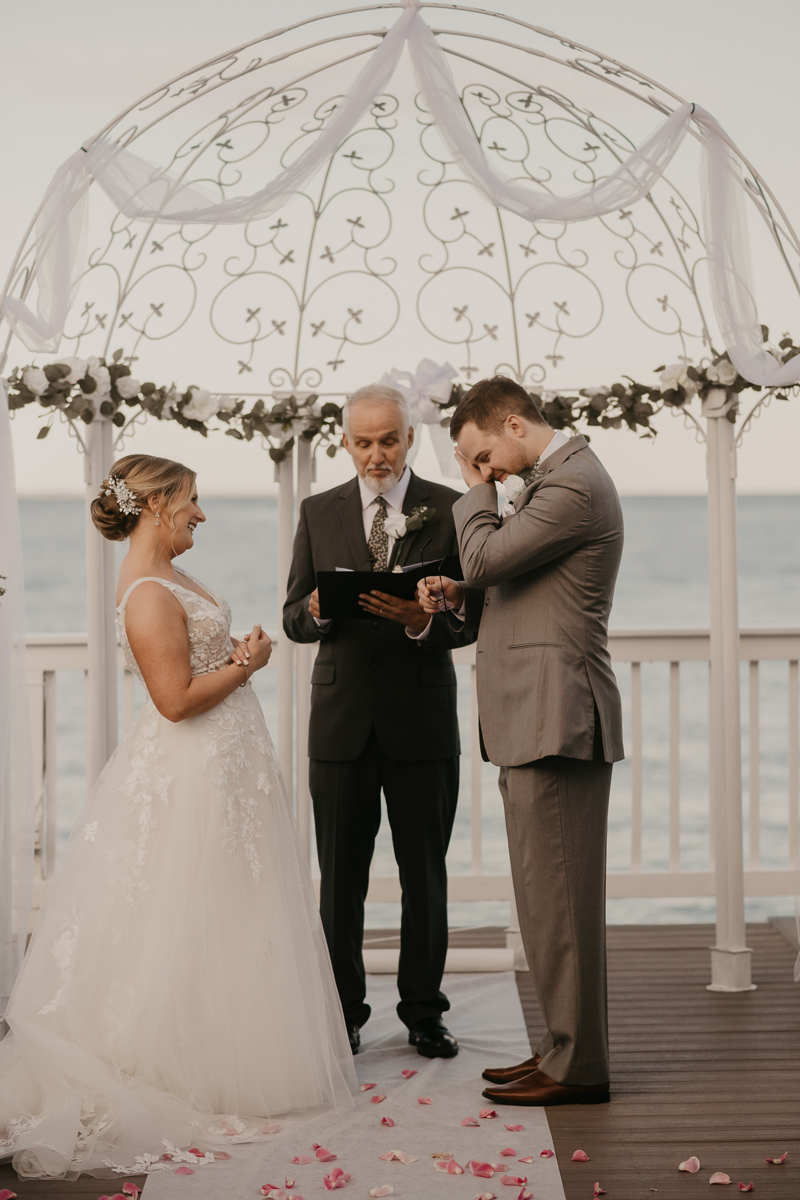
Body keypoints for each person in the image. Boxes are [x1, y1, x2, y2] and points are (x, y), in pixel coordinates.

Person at [0, 454, 354, 1181]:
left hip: (226, 769)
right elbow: (175, 699)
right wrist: (248, 664)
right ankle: (176, 1064)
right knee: (180, 911)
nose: (200, 513)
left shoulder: (174, 578)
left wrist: (231, 652)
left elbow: (195, 668)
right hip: (191, 772)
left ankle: (230, 1053)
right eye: (191, 500)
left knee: (225, 912)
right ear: (157, 505)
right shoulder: (146, 593)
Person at [419, 375, 624, 1106]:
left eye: (482, 456)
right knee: (545, 903)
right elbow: (501, 578)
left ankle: (578, 1068)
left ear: (511, 424)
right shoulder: (551, 484)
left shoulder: (573, 485)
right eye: (476, 466)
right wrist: (460, 594)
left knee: (562, 906)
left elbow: (483, 556)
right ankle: (559, 1049)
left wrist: (472, 497)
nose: (485, 472)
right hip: (533, 720)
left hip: (558, 718)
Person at [283, 384, 476, 1058]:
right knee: (340, 881)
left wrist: (426, 621)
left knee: (426, 874)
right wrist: (319, 611)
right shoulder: (317, 510)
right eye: (362, 442)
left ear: (409, 438)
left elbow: (471, 619)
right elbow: (292, 618)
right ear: (345, 442)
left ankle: (425, 1012)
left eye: (387, 440)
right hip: (340, 725)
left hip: (422, 721)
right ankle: (344, 1015)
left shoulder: (452, 510)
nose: (376, 454)